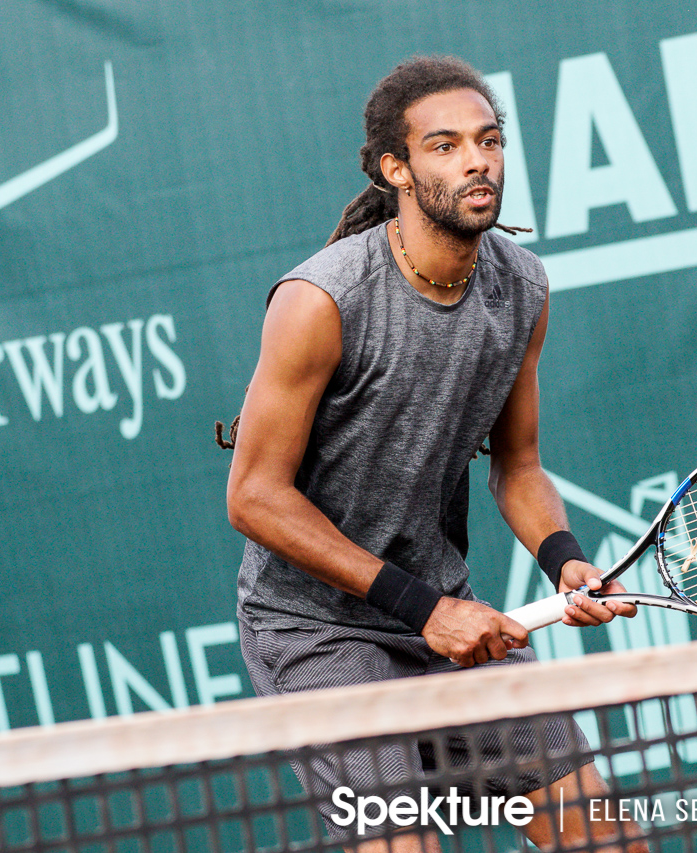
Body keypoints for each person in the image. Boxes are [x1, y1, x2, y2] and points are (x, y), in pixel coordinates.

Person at [222, 55, 646, 853]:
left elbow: (516, 465)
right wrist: (428, 609)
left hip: (447, 616)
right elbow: (253, 496)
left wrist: (566, 561)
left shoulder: (522, 287)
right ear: (398, 169)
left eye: (488, 141)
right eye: (446, 145)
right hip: (318, 631)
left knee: (605, 834)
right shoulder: (320, 300)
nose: (478, 160)